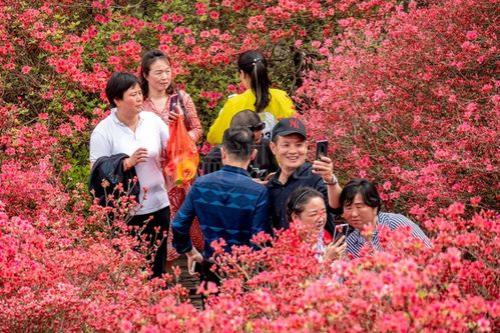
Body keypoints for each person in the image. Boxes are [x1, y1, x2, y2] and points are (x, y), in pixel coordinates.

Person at [89, 72, 170, 277]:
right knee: (131, 270)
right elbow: (96, 172)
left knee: (157, 265)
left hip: (159, 204)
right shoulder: (103, 131)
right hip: (126, 211)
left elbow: (173, 146)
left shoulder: (152, 120)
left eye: (140, 93)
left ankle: (158, 305)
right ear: (116, 100)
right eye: (132, 94)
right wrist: (126, 163)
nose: (139, 98)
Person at [172, 127, 270, 278]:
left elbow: (178, 224)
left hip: (211, 267)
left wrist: (189, 251)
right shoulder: (258, 192)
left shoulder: (201, 185)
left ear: (223, 152)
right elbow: (259, 238)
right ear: (253, 155)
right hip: (244, 271)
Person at [140, 49, 204, 263]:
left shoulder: (181, 99)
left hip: (180, 171)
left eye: (167, 71)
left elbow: (198, 130)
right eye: (158, 73)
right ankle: (165, 261)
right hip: (153, 171)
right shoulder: (141, 103)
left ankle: (189, 258)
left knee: (185, 214)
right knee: (161, 215)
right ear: (146, 75)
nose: (164, 77)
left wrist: (182, 137)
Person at [267, 117, 343, 232]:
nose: (293, 151)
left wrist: (331, 181)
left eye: (298, 145)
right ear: (273, 148)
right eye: (286, 145)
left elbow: (337, 207)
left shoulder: (316, 176)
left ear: (306, 146)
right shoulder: (271, 185)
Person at [207, 49, 295, 145]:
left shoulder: (235, 103)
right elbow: (293, 128)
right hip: (277, 157)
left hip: (246, 158)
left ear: (242, 74)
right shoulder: (282, 97)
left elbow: (214, 137)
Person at [340, 178, 431, 257]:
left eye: (359, 207)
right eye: (348, 208)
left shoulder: (395, 223)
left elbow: (428, 251)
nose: (354, 214)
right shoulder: (351, 243)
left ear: (374, 207)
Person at [202, 109, 278, 179]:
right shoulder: (214, 158)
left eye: (258, 140)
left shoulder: (267, 146)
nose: (254, 149)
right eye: (251, 142)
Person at [286, 187, 347, 262]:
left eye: (324, 212)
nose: (321, 219)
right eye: (313, 214)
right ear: (295, 217)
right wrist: (327, 260)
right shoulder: (287, 244)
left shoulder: (324, 234)